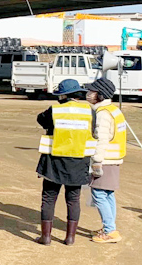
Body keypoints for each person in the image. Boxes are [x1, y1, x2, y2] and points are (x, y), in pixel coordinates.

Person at [34, 79, 96, 246]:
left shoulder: (55, 110)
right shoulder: (89, 111)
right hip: (79, 160)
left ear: (63, 95)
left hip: (54, 161)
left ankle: (46, 237)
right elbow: (93, 130)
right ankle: (70, 238)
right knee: (73, 199)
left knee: (48, 197)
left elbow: (41, 120)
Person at [86, 78, 125, 244]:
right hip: (114, 159)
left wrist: (96, 162)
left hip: (105, 160)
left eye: (92, 91)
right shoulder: (113, 110)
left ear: (100, 95)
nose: (88, 94)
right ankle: (110, 227)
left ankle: (110, 231)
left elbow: (101, 139)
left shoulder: (103, 113)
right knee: (108, 194)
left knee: (99, 194)